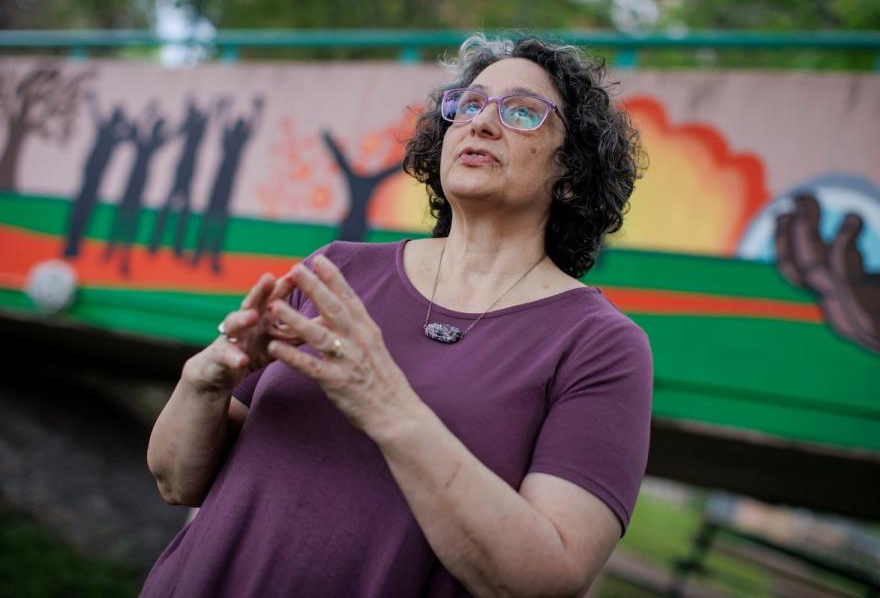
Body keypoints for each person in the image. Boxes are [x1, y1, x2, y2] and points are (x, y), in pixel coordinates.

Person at [141, 34, 653, 598]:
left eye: (524, 112)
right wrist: (207, 380)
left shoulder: (600, 344)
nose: (481, 123)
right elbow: (176, 480)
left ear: (573, 173)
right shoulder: (335, 272)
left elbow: (546, 580)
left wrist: (386, 405)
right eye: (470, 103)